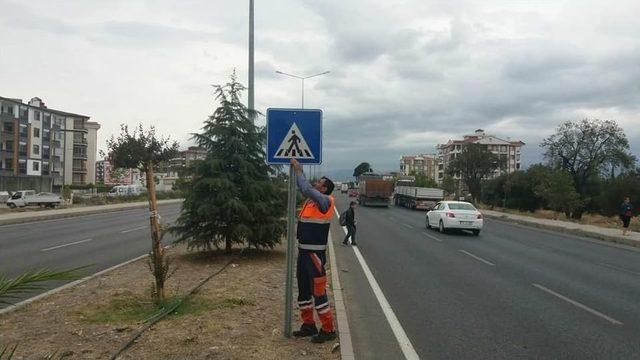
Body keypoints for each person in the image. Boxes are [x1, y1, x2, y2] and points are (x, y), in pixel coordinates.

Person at [290, 158, 337, 343]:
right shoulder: (311, 202)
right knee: (303, 291)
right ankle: (308, 325)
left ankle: (328, 329)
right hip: (303, 253)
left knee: (318, 292)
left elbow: (306, 188)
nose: (316, 183)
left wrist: (299, 170)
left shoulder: (325, 201)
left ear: (324, 189)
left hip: (315, 255)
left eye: (320, 182)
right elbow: (305, 190)